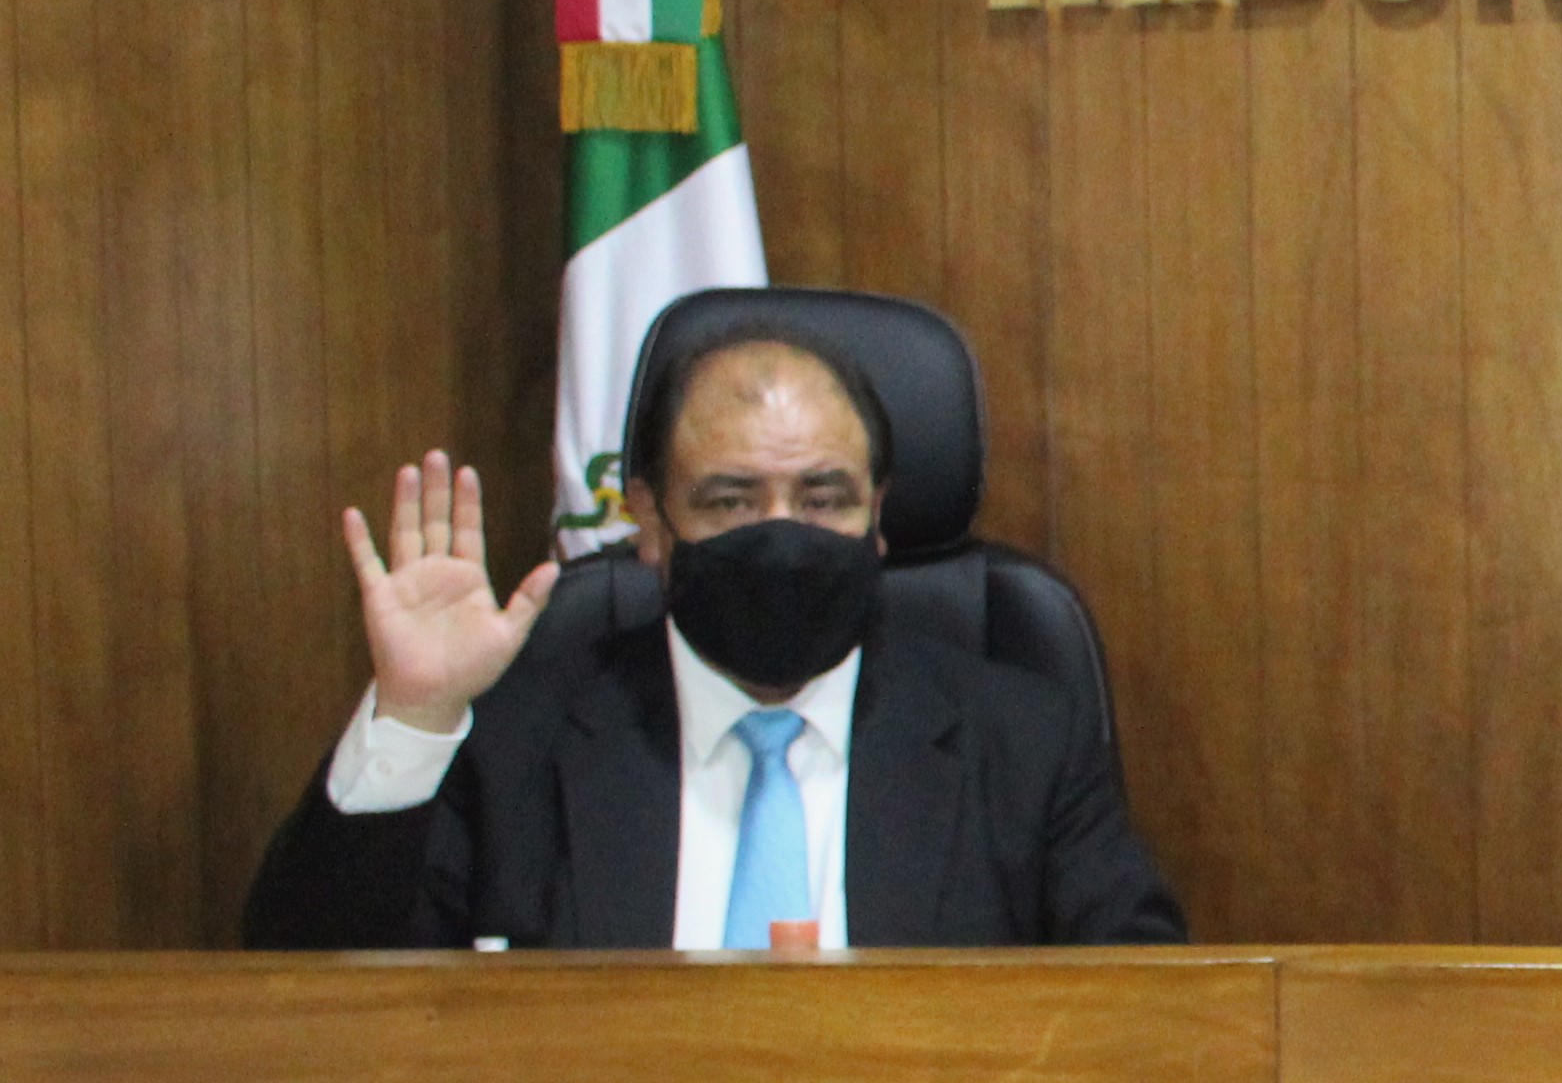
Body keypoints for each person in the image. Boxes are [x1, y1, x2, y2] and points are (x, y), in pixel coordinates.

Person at [241, 315, 1184, 951]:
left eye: (823, 497)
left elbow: (1149, 1014)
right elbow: (312, 986)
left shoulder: (1022, 740)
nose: (782, 535)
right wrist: (415, 717)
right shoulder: (518, 736)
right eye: (731, 500)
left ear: (879, 517)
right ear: (650, 521)